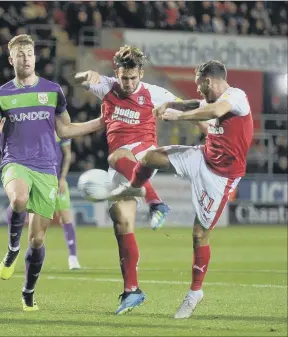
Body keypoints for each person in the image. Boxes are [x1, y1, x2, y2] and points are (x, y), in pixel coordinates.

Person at [111, 60, 253, 318]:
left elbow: (213, 111)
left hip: (222, 177)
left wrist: (179, 116)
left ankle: (195, 291)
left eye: (200, 86)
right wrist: (171, 104)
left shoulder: (236, 96)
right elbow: (196, 104)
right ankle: (134, 189)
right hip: (202, 156)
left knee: (199, 234)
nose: (199, 91)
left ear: (208, 80)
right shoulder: (210, 98)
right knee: (149, 158)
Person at [0, 34, 102, 311]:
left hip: (47, 167)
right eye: (20, 54)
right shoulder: (0, 95)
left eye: (30, 53)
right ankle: (12, 249)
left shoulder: (53, 91)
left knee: (37, 240)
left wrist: (99, 122)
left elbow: (65, 130)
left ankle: (28, 291)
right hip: (15, 161)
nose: (25, 58)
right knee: (18, 200)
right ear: (11, 59)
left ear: (35, 57)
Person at [73, 45, 182, 314]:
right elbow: (78, 78)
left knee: (115, 156)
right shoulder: (107, 86)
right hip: (122, 167)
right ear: (117, 73)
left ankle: (157, 202)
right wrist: (87, 74)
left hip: (144, 155)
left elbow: (183, 106)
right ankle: (132, 290)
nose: (129, 83)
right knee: (121, 221)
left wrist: (206, 126)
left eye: (133, 78)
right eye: (124, 78)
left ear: (141, 74)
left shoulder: (154, 93)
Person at [54, 133, 80, 270]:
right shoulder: (37, 124)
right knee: (38, 221)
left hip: (58, 181)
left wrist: (62, 178)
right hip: (40, 179)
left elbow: (67, 155)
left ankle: (73, 257)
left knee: (65, 218)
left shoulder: (61, 130)